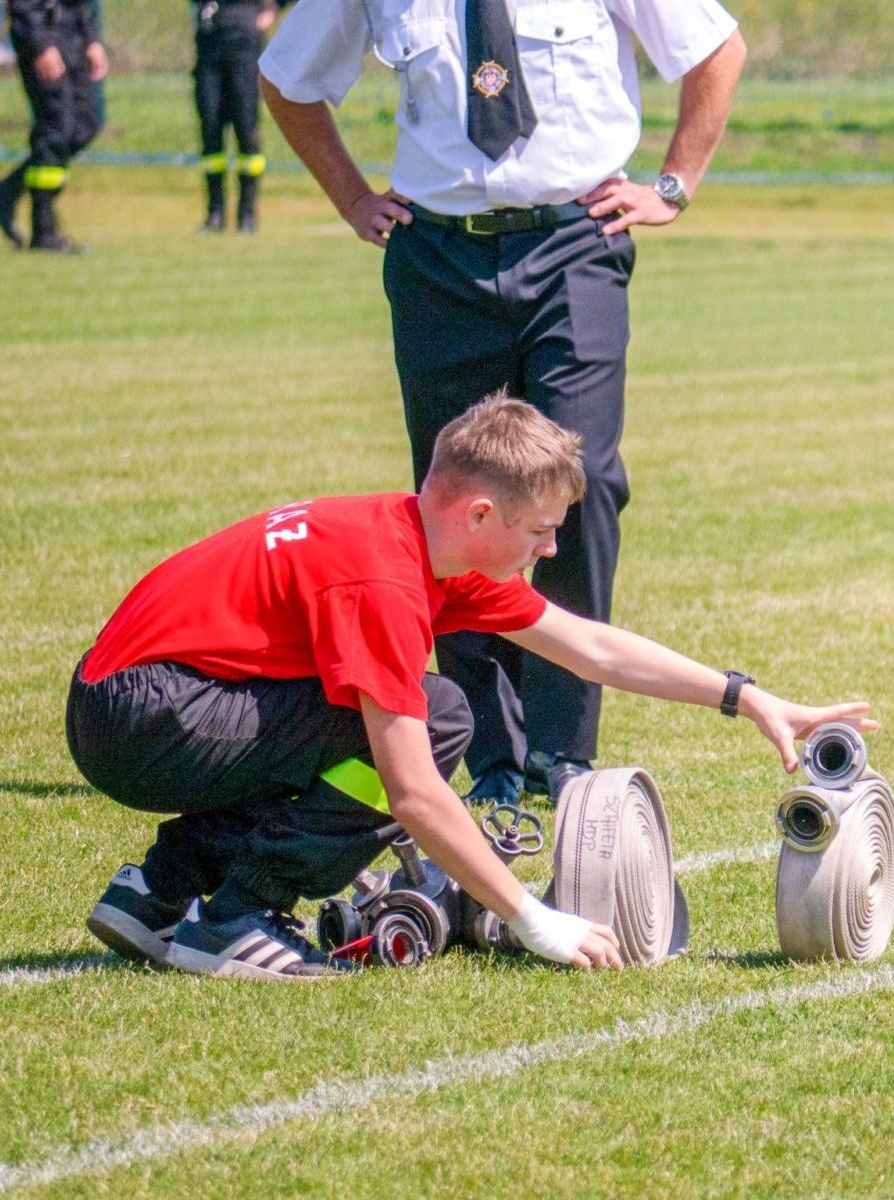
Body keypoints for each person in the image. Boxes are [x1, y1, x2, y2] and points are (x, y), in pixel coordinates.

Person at [67, 394, 874, 980]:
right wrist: (531, 917)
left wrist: (744, 696)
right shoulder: (384, 580)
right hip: (144, 716)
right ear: (481, 514)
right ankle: (240, 916)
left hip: (139, 703)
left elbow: (589, 648)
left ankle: (158, 894)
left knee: (423, 716)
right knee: (431, 724)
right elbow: (414, 793)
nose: (550, 550)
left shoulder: (424, 543)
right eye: (541, 530)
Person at [256, 0, 748, 808]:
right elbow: (286, 78)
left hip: (573, 246)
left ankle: (563, 749)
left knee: (582, 480)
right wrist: (351, 198)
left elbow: (716, 48)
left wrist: (674, 184)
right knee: (458, 508)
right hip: (437, 257)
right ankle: (492, 753)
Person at [0, 0, 107, 253]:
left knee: (85, 125)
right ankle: (44, 231)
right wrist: (41, 44)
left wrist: (91, 39)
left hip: (73, 34)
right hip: (43, 34)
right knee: (56, 130)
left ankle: (5, 193)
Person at [192, 0, 286, 233]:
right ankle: (215, 214)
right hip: (209, 45)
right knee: (210, 131)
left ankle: (247, 214)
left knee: (246, 131)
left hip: (244, 43)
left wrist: (272, 8)